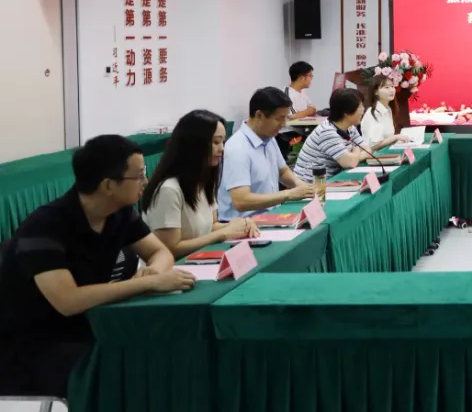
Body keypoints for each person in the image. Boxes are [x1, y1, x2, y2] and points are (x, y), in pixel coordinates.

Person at [0, 136, 195, 398]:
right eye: (139, 176)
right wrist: (146, 283)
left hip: (90, 326)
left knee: (161, 349)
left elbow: (160, 251)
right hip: (36, 347)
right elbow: (67, 301)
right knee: (131, 369)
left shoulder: (119, 213)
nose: (146, 181)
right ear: (108, 185)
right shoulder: (44, 227)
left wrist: (155, 271)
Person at [142, 110, 259, 258]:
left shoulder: (203, 181)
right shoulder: (168, 190)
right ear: (194, 145)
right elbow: (170, 248)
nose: (222, 149)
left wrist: (241, 225)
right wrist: (223, 233)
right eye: (216, 142)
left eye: (223, 142)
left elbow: (211, 226)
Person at [218, 87, 314, 220]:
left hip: (269, 215)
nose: (283, 124)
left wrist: (303, 187)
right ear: (259, 115)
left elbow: (282, 171)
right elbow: (241, 201)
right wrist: (289, 194)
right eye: (279, 119)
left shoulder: (269, 137)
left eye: (285, 118)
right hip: (242, 223)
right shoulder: (237, 148)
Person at [293, 89, 374, 182]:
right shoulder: (327, 132)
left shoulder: (349, 127)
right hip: (312, 185)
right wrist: (356, 149)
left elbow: (367, 150)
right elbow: (350, 163)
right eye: (360, 107)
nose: (363, 110)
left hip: (332, 180)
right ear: (347, 113)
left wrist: (353, 156)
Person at [360, 74, 411, 148]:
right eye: (386, 87)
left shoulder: (388, 109)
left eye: (392, 86)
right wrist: (395, 137)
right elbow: (373, 146)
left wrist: (396, 140)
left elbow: (387, 139)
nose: (391, 90)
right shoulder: (374, 112)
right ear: (376, 92)